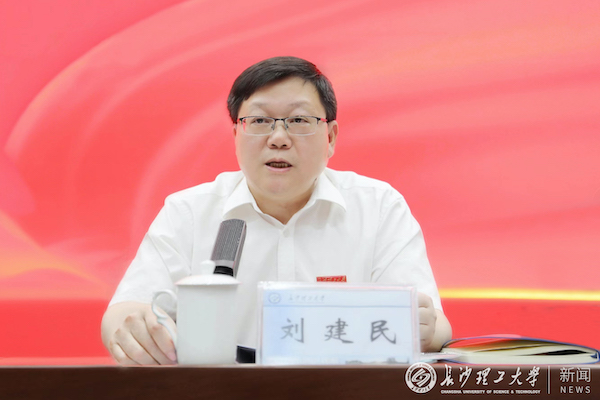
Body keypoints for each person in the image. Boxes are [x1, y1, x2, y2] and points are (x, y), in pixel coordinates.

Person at [101, 56, 452, 365]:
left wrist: (424, 329)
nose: (279, 138)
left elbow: (435, 326)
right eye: (259, 121)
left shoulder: (378, 207)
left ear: (330, 137)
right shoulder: (189, 212)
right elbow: (123, 312)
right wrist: (130, 327)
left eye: (299, 121)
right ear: (236, 135)